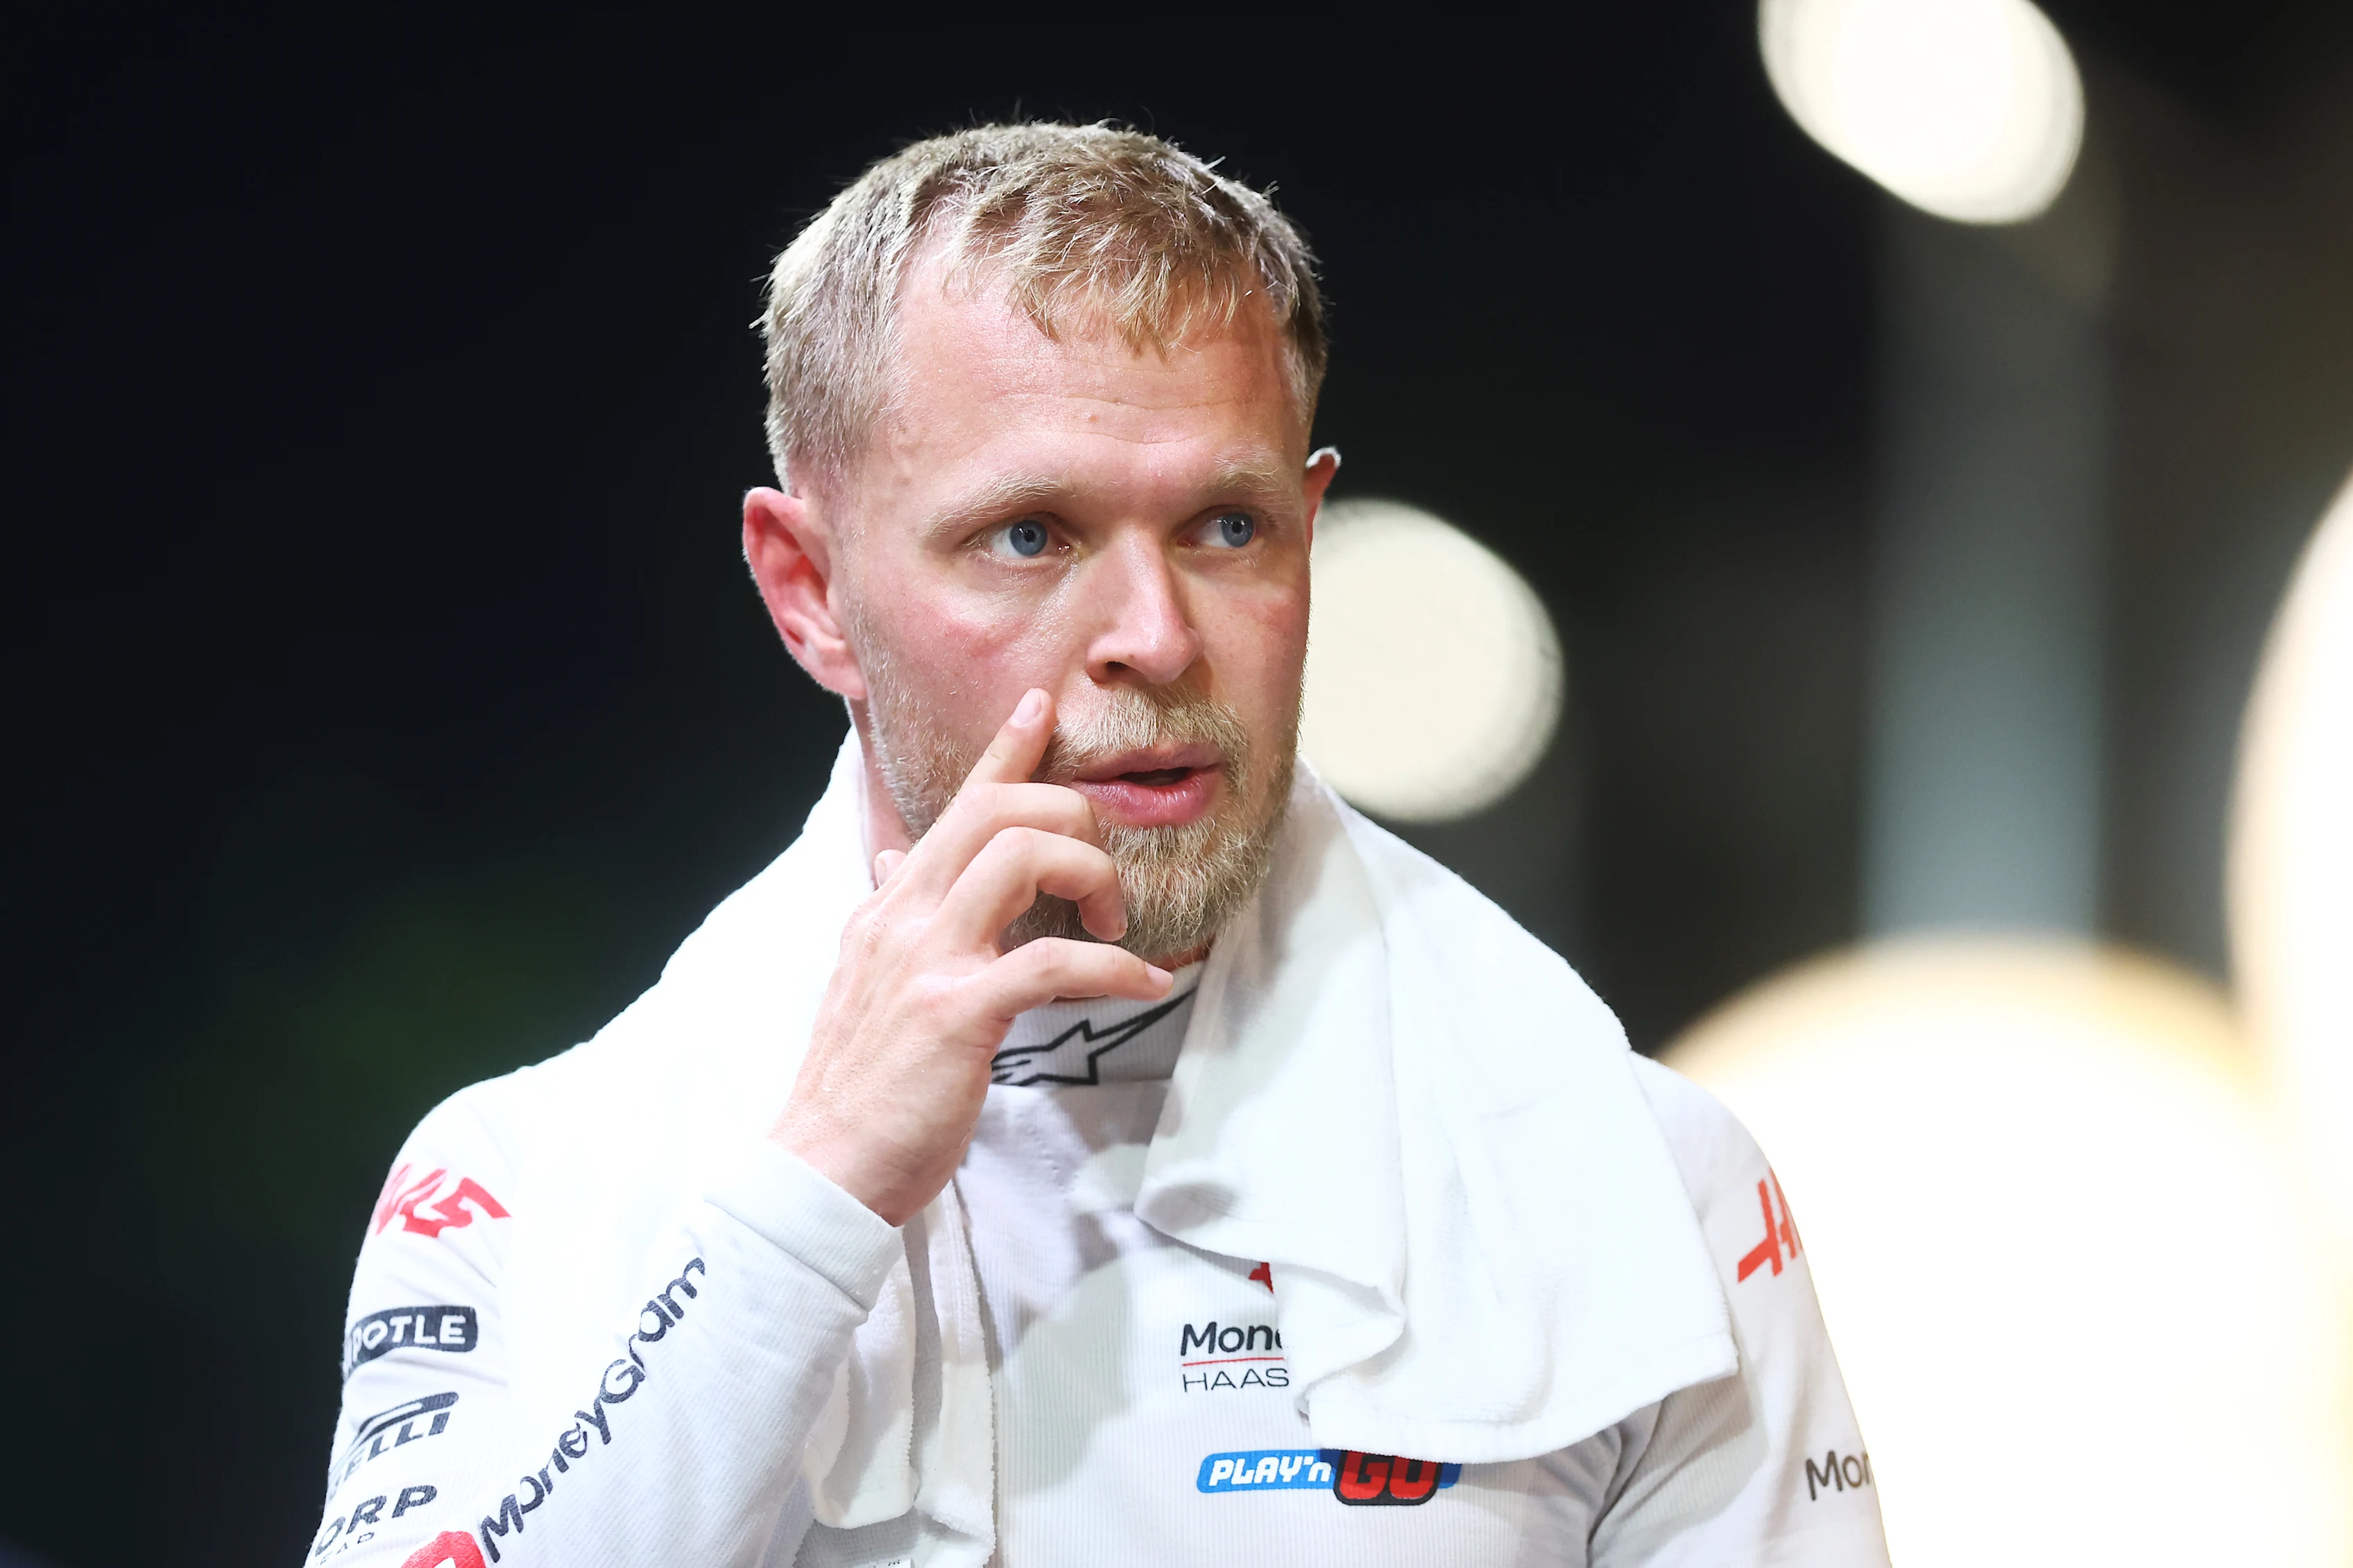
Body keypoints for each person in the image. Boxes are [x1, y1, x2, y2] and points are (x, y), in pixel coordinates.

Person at [307, 123, 1890, 1568]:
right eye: (1031, 535)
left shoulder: (1642, 1183)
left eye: (1227, 526)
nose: (1154, 635)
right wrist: (811, 1199)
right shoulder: (513, 1180)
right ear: (807, 592)